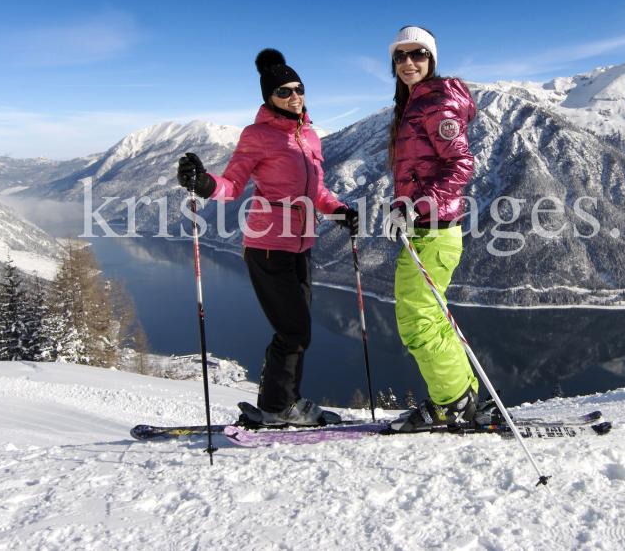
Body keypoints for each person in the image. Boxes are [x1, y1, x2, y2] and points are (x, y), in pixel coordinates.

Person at [176, 49, 358, 426]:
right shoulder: (257, 136)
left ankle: (285, 401)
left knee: (298, 330)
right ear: (269, 98)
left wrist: (340, 211)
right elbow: (232, 185)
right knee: (294, 330)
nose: (295, 96)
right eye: (284, 91)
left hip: (303, 244)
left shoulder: (309, 136)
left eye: (299, 88)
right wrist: (203, 182)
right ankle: (277, 407)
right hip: (268, 245)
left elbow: (318, 192)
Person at [383, 26, 480, 432]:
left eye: (417, 54)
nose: (408, 62)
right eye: (400, 56)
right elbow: (419, 174)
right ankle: (463, 395)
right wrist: (402, 205)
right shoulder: (413, 105)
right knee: (432, 318)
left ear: (432, 59)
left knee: (418, 320)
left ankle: (451, 403)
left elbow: (461, 165)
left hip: (434, 230)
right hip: (425, 228)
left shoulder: (437, 103)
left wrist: (415, 207)